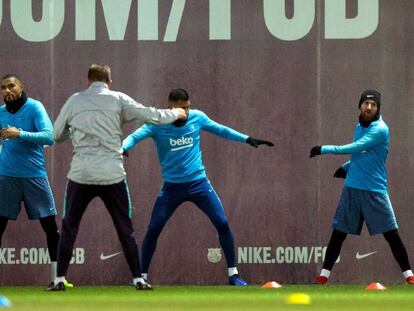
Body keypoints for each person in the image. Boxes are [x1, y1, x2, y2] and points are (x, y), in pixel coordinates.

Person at [49, 64, 186, 291]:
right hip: (112, 174)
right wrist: (177, 113)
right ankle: (138, 279)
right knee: (125, 227)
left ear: (88, 80)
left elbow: (56, 135)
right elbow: (151, 115)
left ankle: (59, 279)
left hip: (80, 173)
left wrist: (72, 131)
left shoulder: (74, 101)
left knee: (69, 227)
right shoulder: (118, 99)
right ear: (109, 82)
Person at [122, 88, 273, 285]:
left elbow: (222, 130)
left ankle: (233, 275)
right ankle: (141, 277)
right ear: (170, 107)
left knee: (222, 223)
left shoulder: (197, 117)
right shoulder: (157, 123)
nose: (185, 112)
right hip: (171, 188)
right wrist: (123, 147)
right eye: (181, 108)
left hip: (199, 184)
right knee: (154, 228)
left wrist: (247, 139)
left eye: (187, 107)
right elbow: (134, 137)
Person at [309, 90, 414, 285]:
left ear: (378, 109)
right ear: (360, 106)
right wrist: (346, 168)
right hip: (352, 189)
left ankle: (409, 276)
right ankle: (323, 276)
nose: (369, 107)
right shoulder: (359, 126)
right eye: (366, 103)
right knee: (338, 233)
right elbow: (361, 154)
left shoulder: (381, 129)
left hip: (375, 190)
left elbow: (357, 147)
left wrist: (324, 149)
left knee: (392, 234)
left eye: (373, 105)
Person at [0, 74, 60, 289]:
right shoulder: (1, 113)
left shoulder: (35, 108)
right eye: (3, 87)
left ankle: (57, 279)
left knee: (50, 227)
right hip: (7, 177)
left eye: (11, 86)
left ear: (20, 87)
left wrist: (20, 134)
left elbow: (49, 136)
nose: (7, 90)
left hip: (34, 175)